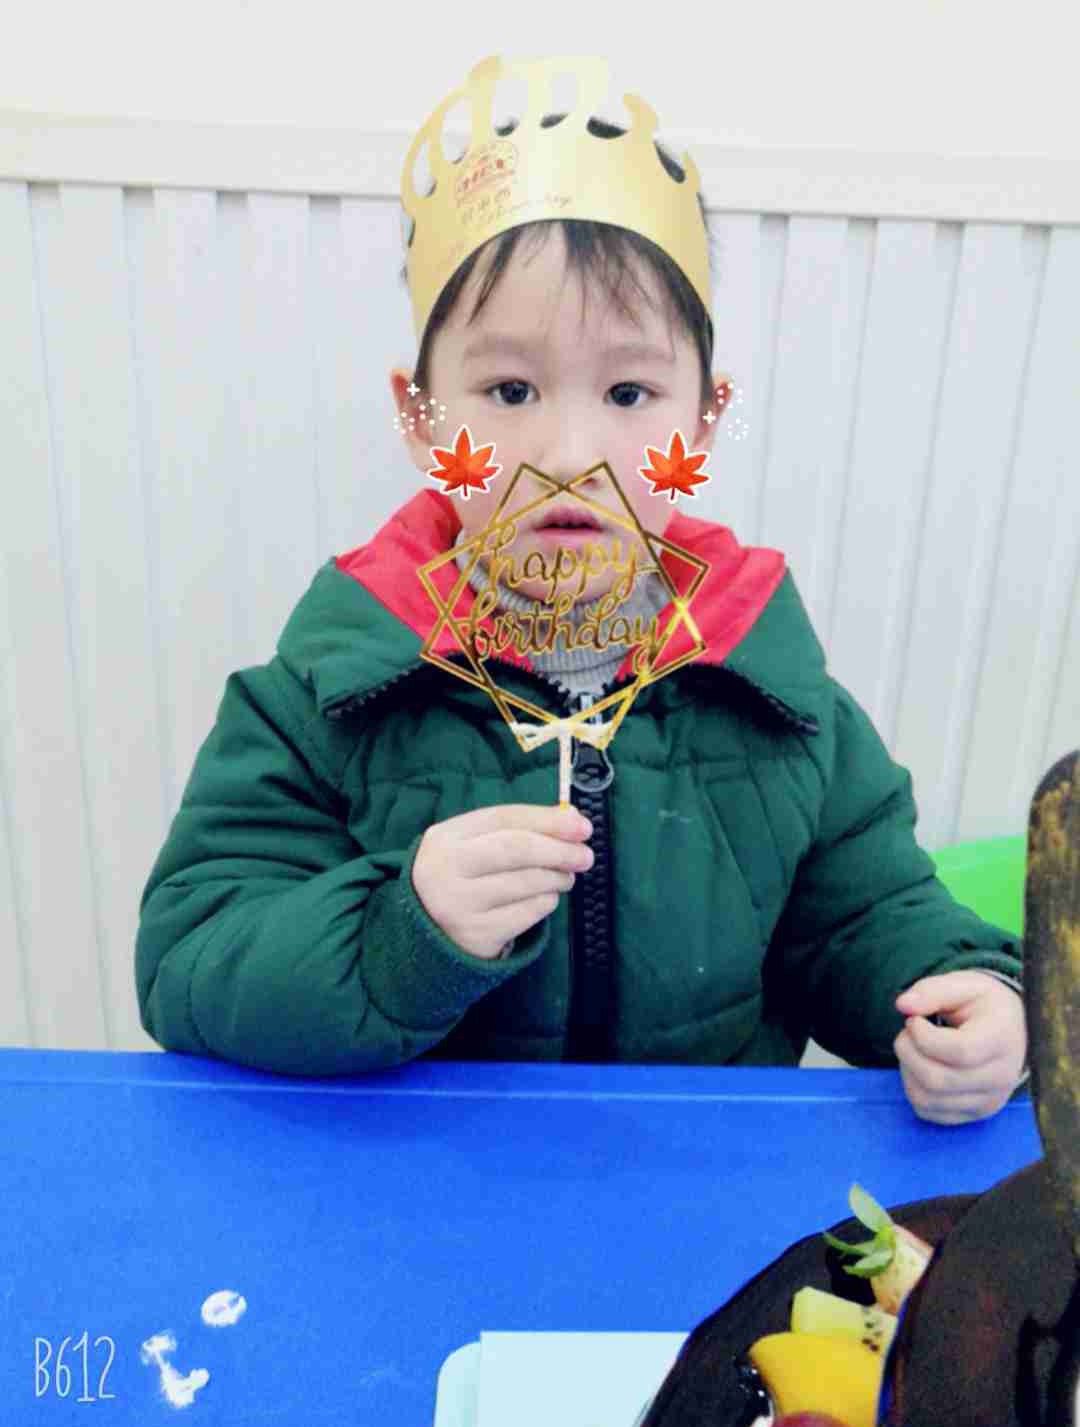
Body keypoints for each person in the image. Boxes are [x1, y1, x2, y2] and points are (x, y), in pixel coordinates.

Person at [135, 55, 1027, 1122]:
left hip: (698, 1188)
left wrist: (971, 998)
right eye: (509, 390)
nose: (569, 453)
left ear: (701, 422)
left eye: (630, 393)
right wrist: (401, 932)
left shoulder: (782, 703)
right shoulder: (321, 699)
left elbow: (864, 920)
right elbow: (190, 960)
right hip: (413, 1183)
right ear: (421, 419)